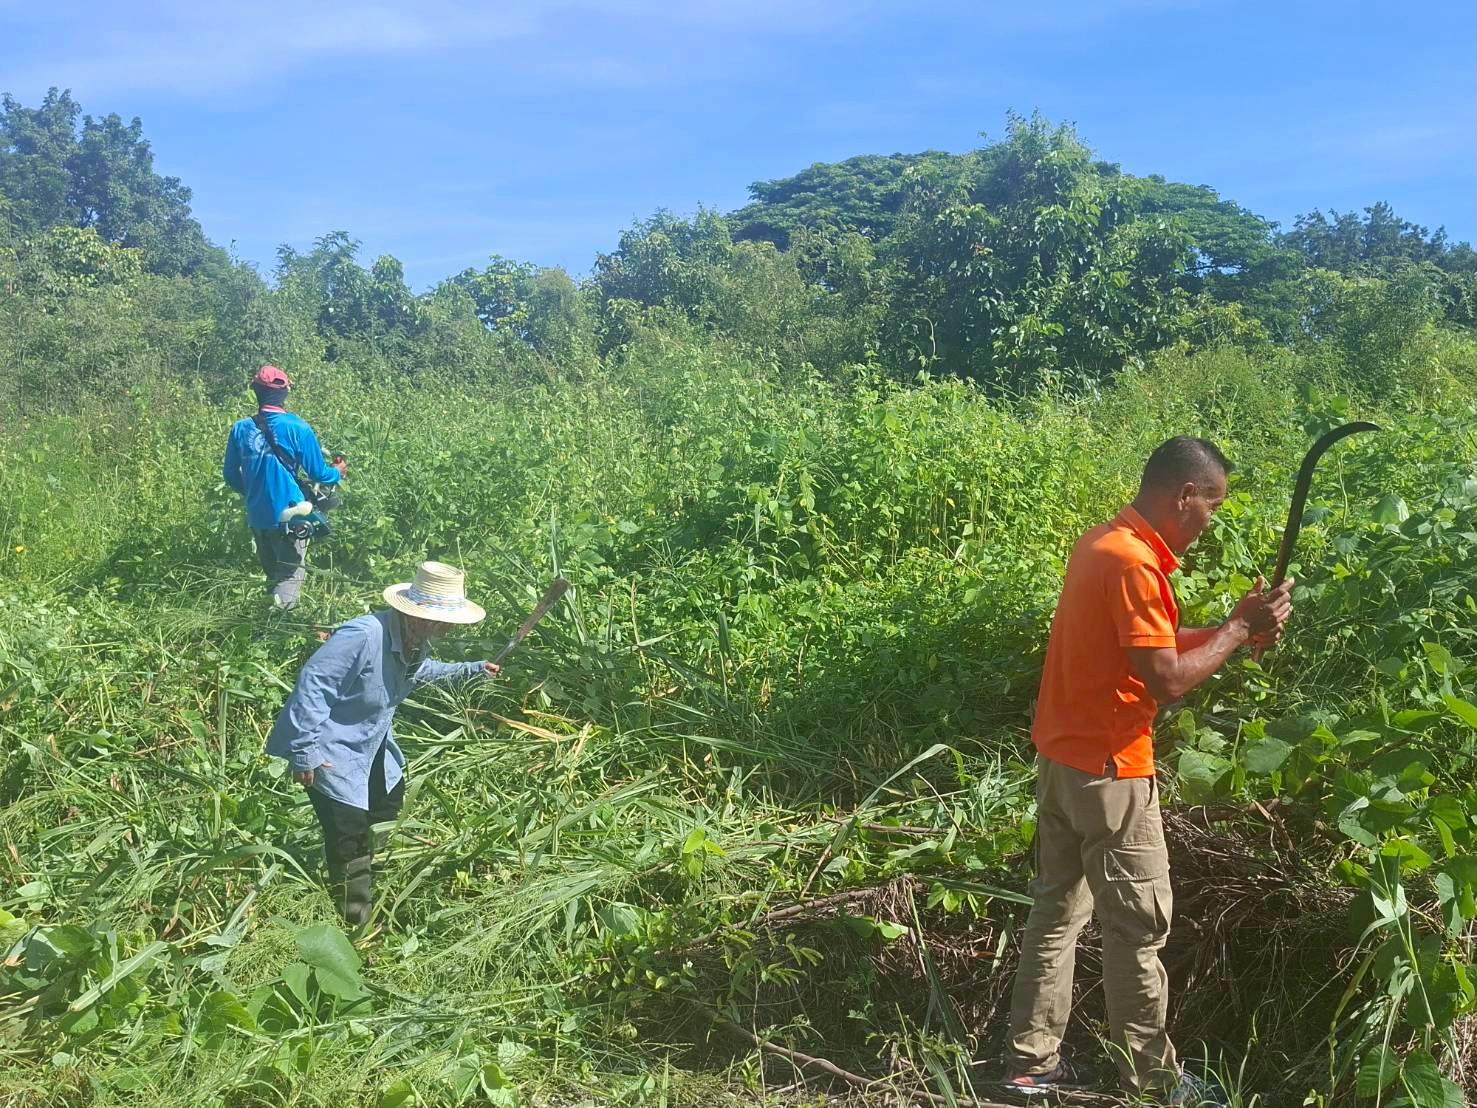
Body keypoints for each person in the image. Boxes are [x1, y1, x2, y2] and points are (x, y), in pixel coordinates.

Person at [1002, 437, 1293, 1104]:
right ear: (1181, 496)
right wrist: (1234, 633)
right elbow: (1163, 678)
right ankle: (1152, 1079)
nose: (1209, 520)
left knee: (1055, 915)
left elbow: (1142, 650)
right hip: (1110, 772)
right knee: (1137, 928)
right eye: (1209, 506)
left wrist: (1232, 627)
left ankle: (1029, 1064)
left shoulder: (1100, 544)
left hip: (1061, 764)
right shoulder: (1134, 565)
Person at [266, 561, 500, 925]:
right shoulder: (363, 635)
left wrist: (470, 669)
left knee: (386, 809)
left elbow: (421, 672)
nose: (450, 628)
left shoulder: (413, 639)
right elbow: (314, 684)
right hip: (332, 750)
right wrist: (304, 753)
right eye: (446, 621)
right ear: (421, 615)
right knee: (349, 835)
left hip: (372, 744)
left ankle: (374, 887)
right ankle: (354, 920)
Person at [222, 365, 345, 609]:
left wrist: (255, 494)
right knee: (289, 577)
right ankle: (278, 633)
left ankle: (265, 624)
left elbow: (230, 475)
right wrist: (337, 472)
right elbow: (319, 473)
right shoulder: (298, 427)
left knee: (273, 575)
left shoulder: (240, 428)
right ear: (284, 393)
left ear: (256, 391)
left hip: (258, 515)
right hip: (292, 515)